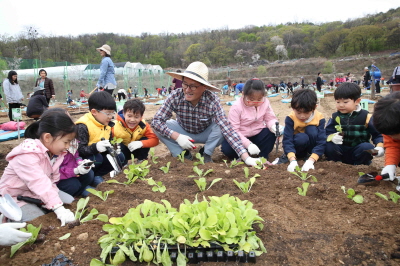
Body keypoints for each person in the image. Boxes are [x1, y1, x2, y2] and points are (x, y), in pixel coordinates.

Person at [151, 61, 262, 166]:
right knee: (159, 126)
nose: (187, 90)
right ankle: (182, 154)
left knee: (221, 126)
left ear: (204, 87)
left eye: (193, 86)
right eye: (185, 84)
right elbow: (156, 121)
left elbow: (227, 128)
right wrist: (177, 136)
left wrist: (246, 158)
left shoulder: (212, 100)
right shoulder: (175, 96)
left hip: (206, 133)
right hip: (183, 131)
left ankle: (206, 154)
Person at [0, 109, 76, 225]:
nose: (67, 146)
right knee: (38, 222)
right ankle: (7, 218)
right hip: (14, 196)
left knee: (71, 203)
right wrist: (58, 207)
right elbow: (39, 182)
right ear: (47, 138)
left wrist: (54, 202)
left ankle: (42, 206)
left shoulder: (56, 154)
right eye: (66, 142)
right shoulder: (27, 154)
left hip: (35, 193)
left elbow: (52, 181)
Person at [221, 78, 281, 161]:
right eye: (251, 99)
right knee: (227, 148)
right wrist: (248, 144)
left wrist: (273, 125)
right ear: (243, 94)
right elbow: (234, 130)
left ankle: (262, 157)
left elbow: (269, 118)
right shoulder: (236, 107)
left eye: (259, 99)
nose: (255, 102)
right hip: (241, 136)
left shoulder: (265, 102)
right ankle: (243, 156)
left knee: (270, 134)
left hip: (257, 133)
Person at [325, 83, 383, 165]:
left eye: (345, 102)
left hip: (358, 150)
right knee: (329, 146)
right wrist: (332, 137)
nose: (341, 105)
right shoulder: (335, 117)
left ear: (357, 101)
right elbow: (327, 132)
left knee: (367, 147)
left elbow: (378, 134)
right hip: (340, 150)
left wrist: (380, 146)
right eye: (338, 102)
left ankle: (361, 165)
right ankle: (336, 165)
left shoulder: (366, 116)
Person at [75, 91, 124, 185]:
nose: (111, 117)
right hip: (83, 161)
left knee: (119, 156)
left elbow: (107, 144)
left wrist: (112, 148)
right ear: (94, 112)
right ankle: (88, 180)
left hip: (97, 156)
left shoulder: (106, 124)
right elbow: (78, 150)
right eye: (108, 113)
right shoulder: (83, 125)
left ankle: (97, 176)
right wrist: (95, 148)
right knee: (97, 157)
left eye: (112, 113)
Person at [273, 89, 326, 172]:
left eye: (306, 112)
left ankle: (309, 156)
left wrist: (312, 159)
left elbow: (321, 141)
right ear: (293, 108)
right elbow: (287, 140)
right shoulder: (290, 118)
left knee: (311, 129)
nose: (302, 116)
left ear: (314, 108)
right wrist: (292, 159)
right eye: (298, 112)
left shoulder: (320, 118)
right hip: (298, 147)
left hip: (312, 149)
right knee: (302, 137)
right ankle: (297, 156)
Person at [114, 99, 159, 163]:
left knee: (146, 139)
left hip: (136, 150)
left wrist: (141, 143)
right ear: (124, 114)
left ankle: (142, 159)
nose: (132, 120)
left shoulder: (143, 125)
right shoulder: (115, 126)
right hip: (122, 153)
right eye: (129, 116)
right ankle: (123, 163)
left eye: (136, 117)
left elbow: (155, 140)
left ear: (141, 116)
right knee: (117, 144)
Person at [372, 92, 400, 181]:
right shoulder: (391, 124)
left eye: (394, 135)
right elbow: (393, 145)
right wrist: (390, 164)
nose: (392, 137)